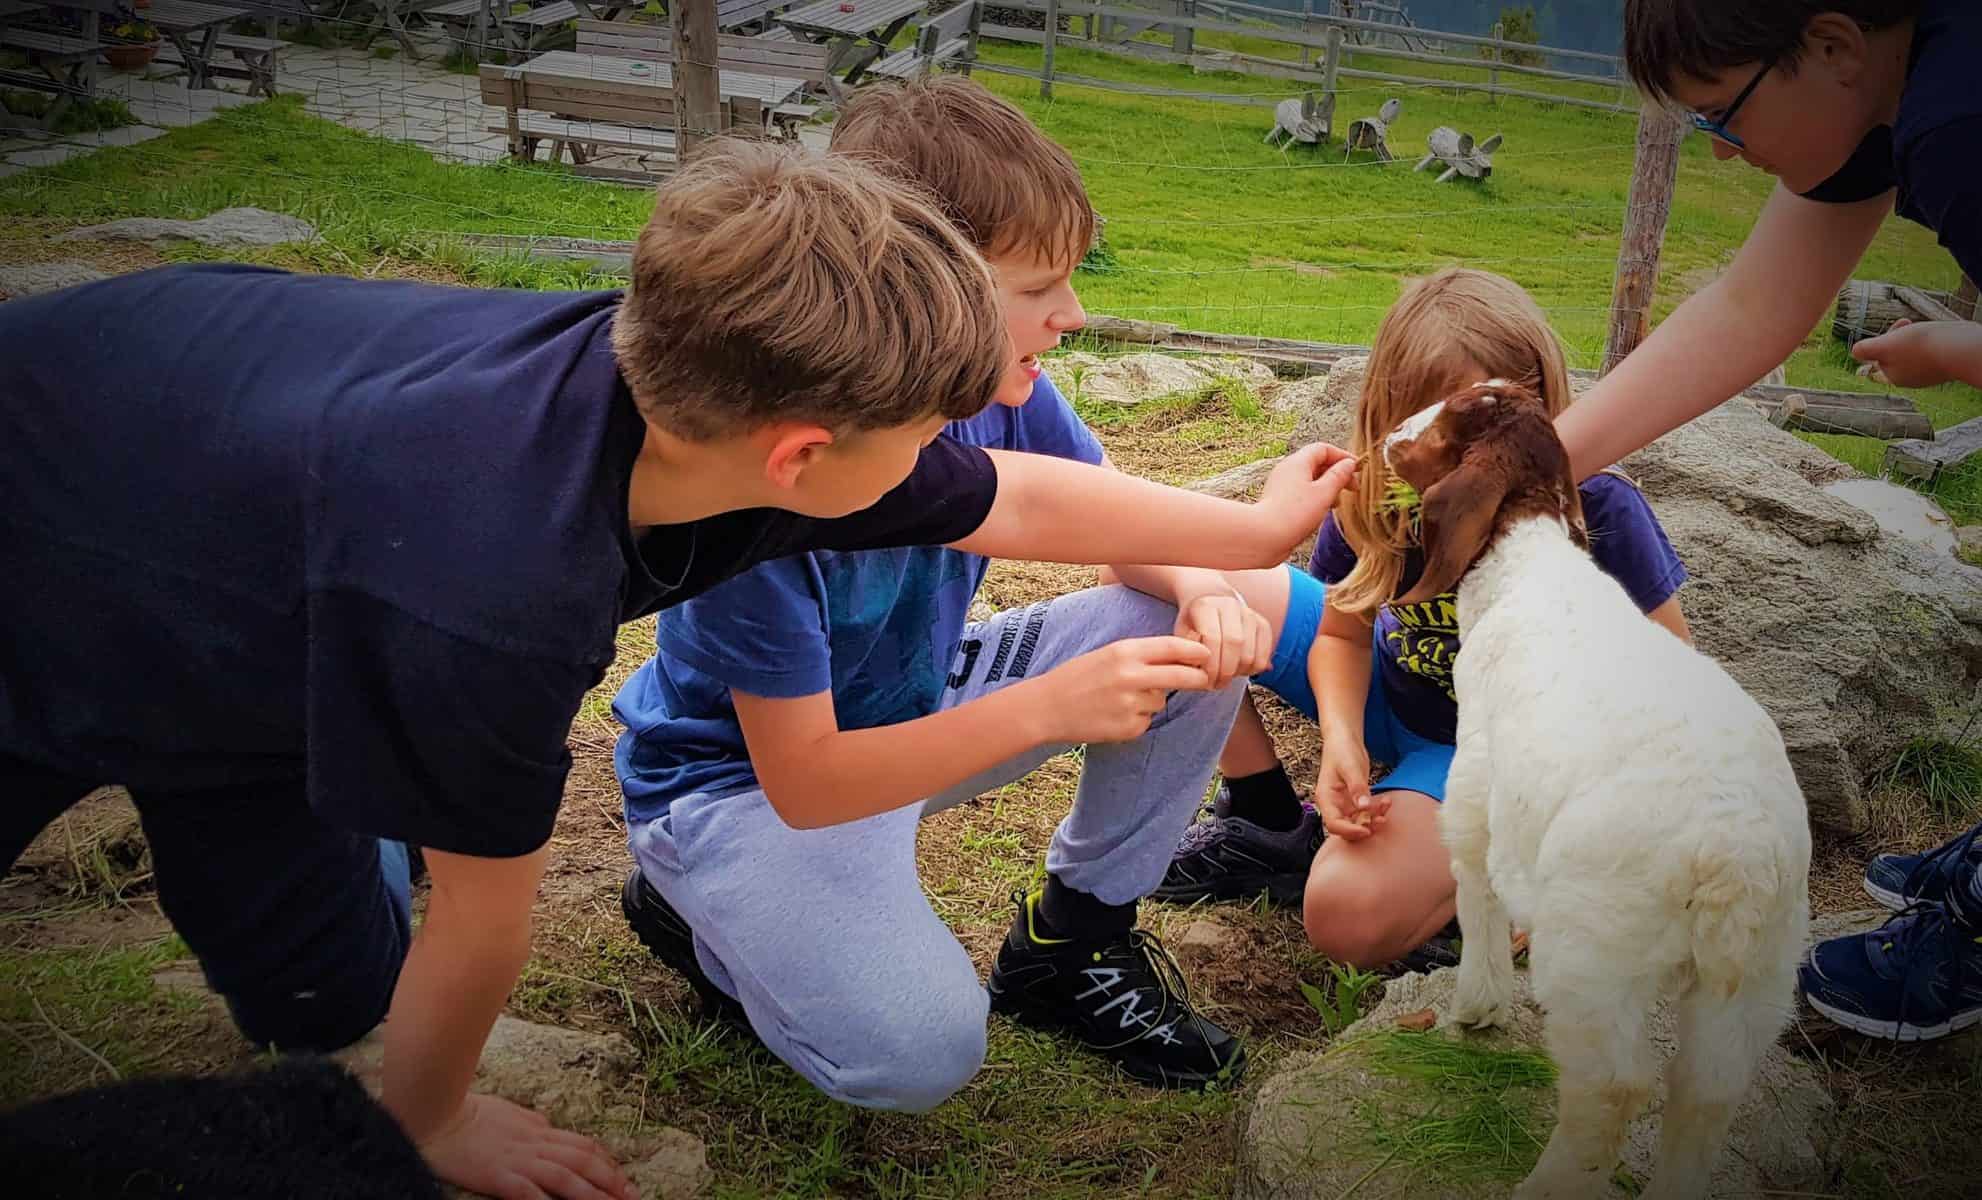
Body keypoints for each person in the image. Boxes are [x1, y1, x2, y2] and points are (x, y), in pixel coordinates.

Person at [0, 140, 1355, 1198]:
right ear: (800, 464)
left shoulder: (714, 390)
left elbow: (1019, 498)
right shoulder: (496, 602)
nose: (949, 457)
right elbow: (489, 921)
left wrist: (1254, 529)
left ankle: (332, 869)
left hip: (219, 498)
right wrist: (434, 1118)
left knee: (327, 986)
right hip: (51, 538)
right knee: (357, 964)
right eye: (923, 436)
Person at [613, 75, 1338, 1103]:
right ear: (922, 281)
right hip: (753, 787)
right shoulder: (767, 476)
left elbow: (1107, 525)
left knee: (1177, 620)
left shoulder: (1007, 397)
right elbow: (808, 781)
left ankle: (1073, 943)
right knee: (913, 1060)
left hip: (918, 702)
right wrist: (1048, 705)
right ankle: (703, 913)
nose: (1072, 315)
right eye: (1039, 285)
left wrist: (1201, 584)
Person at [1561, 0, 1981, 1043]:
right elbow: (1752, 306)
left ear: (1830, 46)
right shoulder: (1877, 92)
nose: (1724, 150)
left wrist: (1962, 354)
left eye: (1719, 115)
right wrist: (1544, 461)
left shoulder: (1956, 124)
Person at [1158, 269, 1693, 973]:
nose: (1457, 460)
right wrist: (1341, 740)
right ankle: (1263, 813)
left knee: (1344, 915)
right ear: (1389, 417)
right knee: (1166, 575)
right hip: (1390, 690)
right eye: (1429, 432)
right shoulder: (1379, 491)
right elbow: (1341, 629)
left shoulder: (1597, 513)